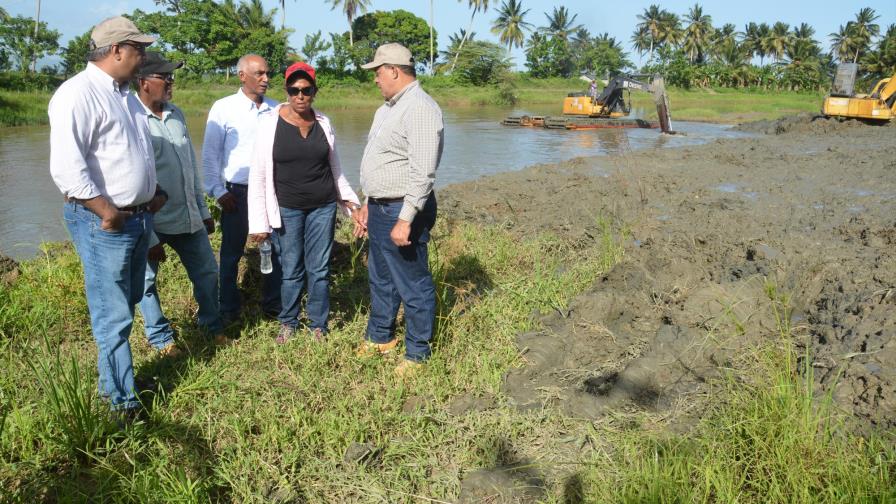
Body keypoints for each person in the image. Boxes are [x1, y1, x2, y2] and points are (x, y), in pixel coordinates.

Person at [48, 16, 167, 414]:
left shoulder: (123, 94)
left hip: (136, 217)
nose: (144, 57)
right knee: (112, 312)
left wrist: (151, 193)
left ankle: (119, 378)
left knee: (128, 301)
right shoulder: (76, 95)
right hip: (105, 222)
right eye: (139, 49)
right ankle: (121, 401)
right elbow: (67, 168)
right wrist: (108, 212)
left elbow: (132, 152)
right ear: (117, 50)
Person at [248, 62, 360, 343]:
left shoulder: (323, 123)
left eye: (306, 90)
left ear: (314, 91)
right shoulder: (269, 124)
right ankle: (288, 322)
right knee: (291, 268)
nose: (300, 95)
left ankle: (318, 324)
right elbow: (259, 176)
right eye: (294, 89)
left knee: (320, 268)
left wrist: (350, 202)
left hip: (323, 206)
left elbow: (335, 169)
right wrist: (258, 223)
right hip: (287, 208)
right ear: (286, 90)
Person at [352, 43, 444, 377]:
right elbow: (381, 161)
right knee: (380, 277)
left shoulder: (420, 107)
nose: (375, 79)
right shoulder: (387, 109)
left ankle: (418, 352)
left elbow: (423, 172)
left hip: (403, 209)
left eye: (378, 72)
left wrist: (406, 219)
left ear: (393, 70)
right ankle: (381, 337)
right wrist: (366, 203)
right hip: (379, 207)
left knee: (412, 281)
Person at [134, 52, 230, 353]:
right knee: (146, 283)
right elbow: (134, 180)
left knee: (207, 272)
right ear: (143, 82)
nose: (170, 82)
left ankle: (211, 326)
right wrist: (148, 236)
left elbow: (189, 165)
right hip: (151, 220)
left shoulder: (176, 114)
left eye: (171, 76)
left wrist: (202, 210)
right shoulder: (132, 120)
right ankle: (161, 339)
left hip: (187, 215)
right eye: (164, 77)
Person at [202, 54, 281, 325]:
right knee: (231, 254)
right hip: (235, 194)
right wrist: (217, 190)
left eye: (267, 73)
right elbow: (210, 156)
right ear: (242, 76)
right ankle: (228, 310)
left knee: (274, 250)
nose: (266, 79)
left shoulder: (276, 109)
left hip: (270, 193)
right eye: (259, 73)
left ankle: (272, 307)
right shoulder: (223, 108)